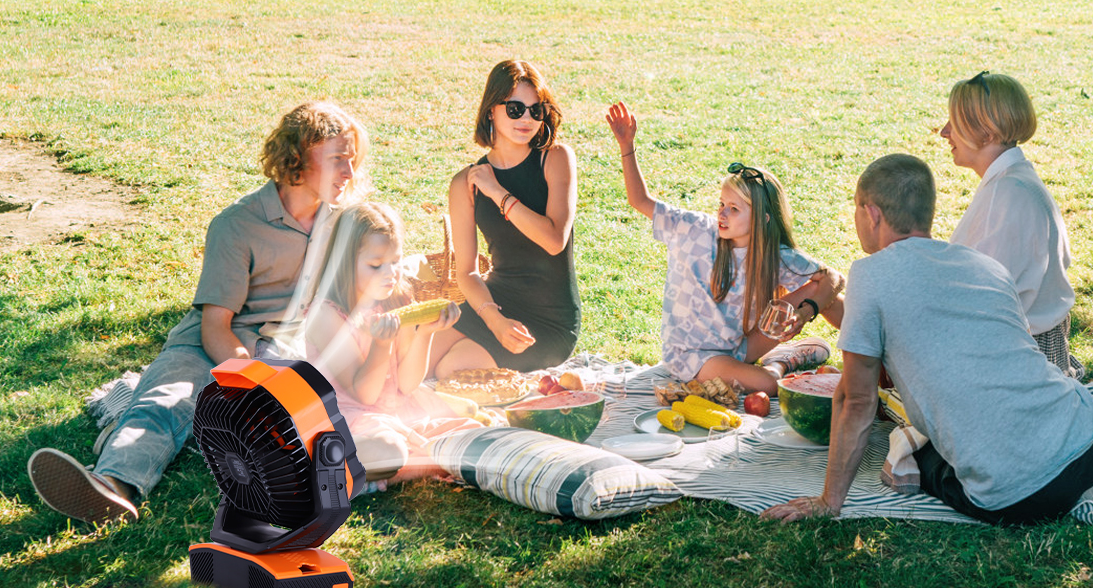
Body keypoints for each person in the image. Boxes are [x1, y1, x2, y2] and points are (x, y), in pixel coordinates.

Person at [762, 154, 1093, 526]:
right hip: (1082, 430)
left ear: (870, 213)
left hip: (1011, 493)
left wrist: (830, 500)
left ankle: (1089, 497)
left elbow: (856, 400)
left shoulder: (871, 275)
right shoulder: (984, 266)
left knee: (913, 457)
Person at [28, 101, 372, 525]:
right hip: (209, 344)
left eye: (352, 162)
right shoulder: (237, 225)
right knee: (166, 401)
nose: (349, 174)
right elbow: (215, 326)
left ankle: (153, 432)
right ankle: (111, 488)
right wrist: (246, 377)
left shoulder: (344, 224)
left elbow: (374, 277)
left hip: (283, 348)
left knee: (291, 432)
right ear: (298, 156)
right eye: (339, 159)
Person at [604, 101, 843, 395]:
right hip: (695, 358)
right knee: (769, 385)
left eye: (733, 209)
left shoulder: (773, 254)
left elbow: (833, 278)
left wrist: (807, 311)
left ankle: (873, 353)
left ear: (761, 219)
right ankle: (783, 361)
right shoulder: (695, 230)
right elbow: (639, 200)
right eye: (721, 205)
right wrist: (627, 146)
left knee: (819, 289)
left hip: (740, 347)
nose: (722, 214)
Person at [303, 202, 490, 491]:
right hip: (350, 418)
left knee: (476, 435)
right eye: (376, 265)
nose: (390, 273)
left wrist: (426, 332)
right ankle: (343, 472)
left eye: (396, 261)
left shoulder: (395, 300)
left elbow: (407, 383)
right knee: (389, 450)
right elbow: (363, 393)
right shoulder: (326, 315)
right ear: (342, 262)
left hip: (398, 411)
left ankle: (382, 475)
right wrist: (381, 345)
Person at [427, 60, 581, 377]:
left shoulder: (555, 158)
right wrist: (494, 320)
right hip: (494, 304)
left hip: (549, 321)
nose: (526, 118)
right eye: (514, 109)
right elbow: (467, 272)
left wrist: (497, 193)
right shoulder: (464, 183)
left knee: (452, 369)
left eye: (535, 110)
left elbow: (554, 241)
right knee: (412, 358)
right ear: (491, 111)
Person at [941, 71, 1084, 378]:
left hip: (1019, 359)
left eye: (955, 123)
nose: (944, 132)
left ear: (987, 133)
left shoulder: (1011, 193)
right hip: (1013, 343)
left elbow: (987, 298)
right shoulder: (1009, 182)